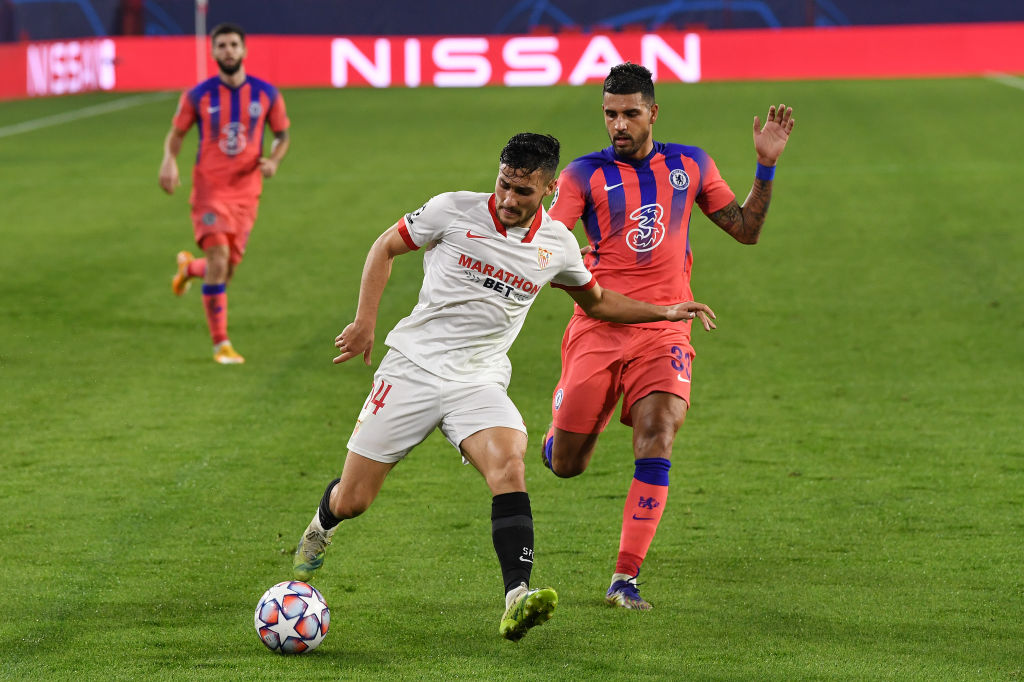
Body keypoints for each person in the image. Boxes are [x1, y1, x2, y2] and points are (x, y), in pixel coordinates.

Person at [290, 133, 716, 641]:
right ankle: (321, 526)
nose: (509, 200)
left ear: (550, 188)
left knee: (510, 463)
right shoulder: (452, 210)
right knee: (354, 498)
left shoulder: (555, 244)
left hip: (479, 379)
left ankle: (517, 594)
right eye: (504, 185)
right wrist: (365, 322)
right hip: (412, 368)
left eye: (524, 192)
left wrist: (665, 310)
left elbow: (598, 303)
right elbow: (385, 246)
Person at [542, 62, 795, 610]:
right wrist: (576, 261)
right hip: (600, 326)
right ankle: (557, 433)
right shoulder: (581, 176)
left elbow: (745, 230)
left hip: (667, 327)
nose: (619, 124)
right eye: (610, 114)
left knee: (659, 432)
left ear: (653, 113)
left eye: (630, 113)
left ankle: (624, 579)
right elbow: (553, 254)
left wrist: (765, 167)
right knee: (567, 464)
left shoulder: (690, 164)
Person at [158, 22, 290, 364]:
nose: (228, 51)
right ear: (213, 52)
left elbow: (282, 136)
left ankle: (188, 269)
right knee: (219, 261)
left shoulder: (267, 94)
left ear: (244, 50)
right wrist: (169, 161)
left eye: (233, 44)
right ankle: (221, 345)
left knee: (226, 270)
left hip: (247, 193)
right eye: (222, 46)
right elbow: (176, 133)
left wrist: (274, 161)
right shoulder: (197, 95)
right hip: (209, 190)